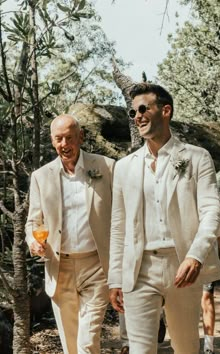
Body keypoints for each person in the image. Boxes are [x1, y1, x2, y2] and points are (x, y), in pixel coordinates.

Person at [108, 83, 220, 354]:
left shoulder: (197, 158)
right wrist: (115, 278)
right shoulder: (124, 168)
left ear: (166, 110)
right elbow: (118, 226)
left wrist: (195, 256)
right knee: (139, 350)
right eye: (132, 112)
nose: (136, 116)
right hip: (140, 269)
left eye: (143, 108)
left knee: (185, 347)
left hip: (182, 264)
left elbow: (211, 211)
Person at [25, 114, 115, 354]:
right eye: (59, 139)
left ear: (81, 137)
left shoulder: (106, 167)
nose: (65, 144)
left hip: (97, 265)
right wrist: (33, 241)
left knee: (87, 340)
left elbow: (121, 215)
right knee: (71, 345)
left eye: (69, 138)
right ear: (53, 141)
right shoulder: (40, 177)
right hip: (59, 266)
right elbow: (34, 221)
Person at [201, 233, 220, 354]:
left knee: (207, 297)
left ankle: (208, 347)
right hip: (181, 258)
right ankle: (160, 316)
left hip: (208, 259)